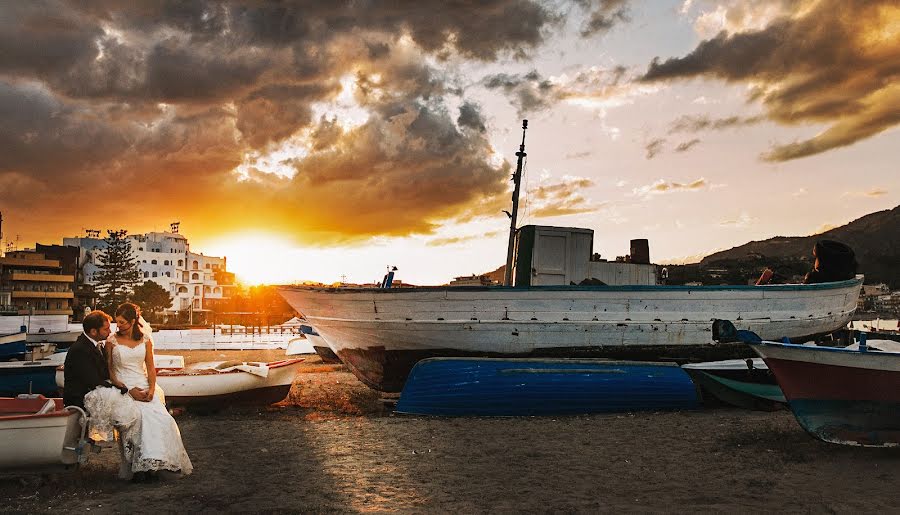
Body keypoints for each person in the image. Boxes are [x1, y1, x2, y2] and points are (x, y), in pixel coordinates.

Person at [85, 302, 192, 481]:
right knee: (139, 420)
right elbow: (111, 372)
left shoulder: (146, 340)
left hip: (143, 385)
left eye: (122, 322)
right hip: (123, 387)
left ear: (133, 321)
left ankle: (158, 464)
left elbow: (151, 368)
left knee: (164, 420)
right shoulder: (111, 341)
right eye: (117, 322)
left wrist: (151, 389)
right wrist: (127, 390)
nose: (118, 326)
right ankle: (139, 468)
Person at [63, 310, 119, 409]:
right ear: (93, 332)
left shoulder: (98, 345)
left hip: (96, 394)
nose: (110, 331)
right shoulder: (80, 350)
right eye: (106, 329)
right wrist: (119, 388)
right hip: (81, 401)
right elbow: (93, 380)